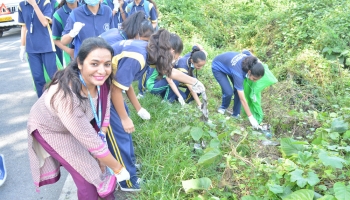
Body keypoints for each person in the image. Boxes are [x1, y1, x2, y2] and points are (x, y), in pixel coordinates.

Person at [27, 38, 130, 200]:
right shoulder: (65, 97)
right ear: (80, 63)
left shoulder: (102, 81)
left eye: (107, 64)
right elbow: (90, 141)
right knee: (86, 175)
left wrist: (101, 145)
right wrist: (118, 168)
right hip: (52, 129)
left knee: (99, 166)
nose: (102, 70)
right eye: (94, 64)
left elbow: (105, 112)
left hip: (78, 124)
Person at [108, 29, 205, 191]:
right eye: (177, 56)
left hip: (111, 89)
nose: (177, 60)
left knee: (126, 133)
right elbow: (116, 90)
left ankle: (130, 165)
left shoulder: (149, 52)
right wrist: (124, 118)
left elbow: (125, 82)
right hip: (103, 94)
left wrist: (192, 81)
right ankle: (128, 182)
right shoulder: (138, 57)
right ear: (171, 52)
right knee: (119, 135)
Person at [211, 50, 265, 128]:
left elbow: (246, 51)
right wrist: (251, 117)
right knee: (228, 92)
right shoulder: (239, 73)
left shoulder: (251, 61)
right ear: (249, 72)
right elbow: (242, 99)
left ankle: (236, 114)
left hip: (230, 66)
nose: (254, 81)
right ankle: (223, 107)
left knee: (237, 90)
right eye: (254, 78)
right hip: (218, 66)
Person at [18, 0, 58, 98]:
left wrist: (34, 5)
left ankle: (59, 100)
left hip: (47, 46)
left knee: (54, 77)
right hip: (32, 48)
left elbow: (44, 22)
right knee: (38, 78)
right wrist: (22, 47)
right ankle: (42, 102)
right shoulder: (21, 5)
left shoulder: (45, 3)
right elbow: (24, 28)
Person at [52, 0, 80, 67]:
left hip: (90, 51)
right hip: (71, 57)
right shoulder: (58, 14)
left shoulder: (86, 8)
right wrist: (69, 51)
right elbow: (56, 39)